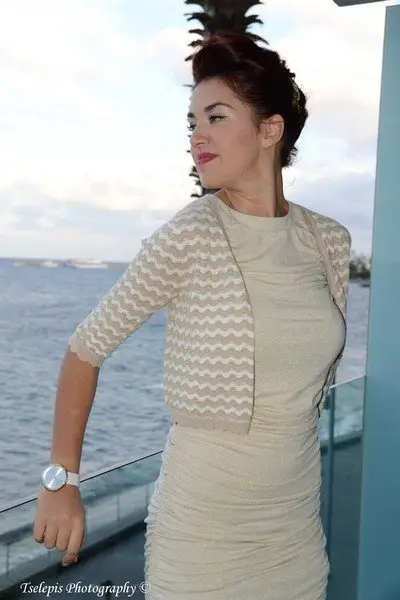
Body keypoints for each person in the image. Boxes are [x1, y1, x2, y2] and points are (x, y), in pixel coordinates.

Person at [33, 32, 351, 600]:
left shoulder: (327, 241)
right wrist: (62, 480)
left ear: (270, 130)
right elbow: (85, 350)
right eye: (192, 122)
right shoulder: (190, 235)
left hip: (296, 534)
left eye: (216, 117)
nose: (196, 136)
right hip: (202, 539)